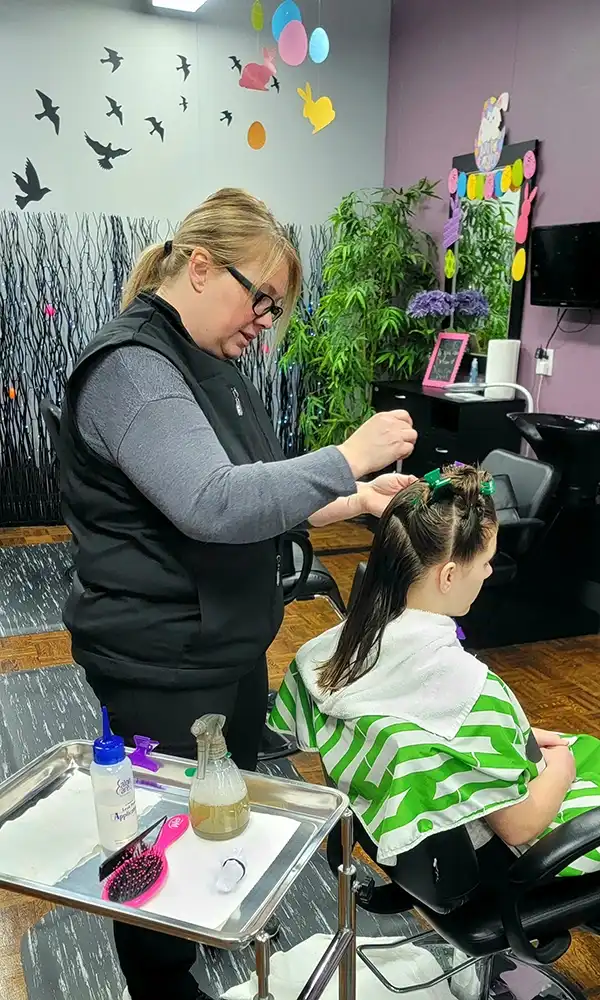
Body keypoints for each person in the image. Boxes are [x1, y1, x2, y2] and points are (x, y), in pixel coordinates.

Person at [59, 187, 419, 1000]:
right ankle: (160, 976)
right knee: (150, 837)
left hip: (224, 643)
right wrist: (347, 457)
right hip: (158, 660)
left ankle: (207, 922)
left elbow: (257, 491)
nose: (266, 321)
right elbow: (212, 503)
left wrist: (352, 501)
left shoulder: (213, 365)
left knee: (226, 804)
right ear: (198, 266)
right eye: (262, 299)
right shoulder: (132, 372)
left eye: (277, 308)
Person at [270, 463, 600, 877]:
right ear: (448, 575)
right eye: (485, 561)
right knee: (581, 750)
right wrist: (563, 764)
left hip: (411, 844)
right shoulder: (475, 692)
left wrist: (512, 735)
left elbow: (421, 727)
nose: (489, 572)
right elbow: (519, 826)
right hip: (494, 863)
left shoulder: (327, 653)